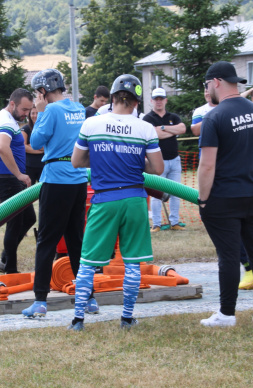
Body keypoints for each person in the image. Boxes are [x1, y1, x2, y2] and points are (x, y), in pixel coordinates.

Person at [68, 74, 164, 331]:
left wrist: (101, 160)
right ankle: (126, 318)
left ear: (112, 98)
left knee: (87, 263)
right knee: (132, 262)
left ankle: (78, 320)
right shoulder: (145, 128)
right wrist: (132, 161)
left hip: (104, 200)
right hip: (134, 199)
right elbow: (157, 168)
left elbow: (76, 162)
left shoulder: (92, 123)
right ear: (136, 103)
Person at [198, 62, 253, 327]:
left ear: (216, 82)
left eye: (207, 85)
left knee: (228, 255)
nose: (207, 90)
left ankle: (227, 314)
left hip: (224, 196)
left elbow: (207, 165)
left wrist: (203, 199)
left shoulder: (215, 117)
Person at [22, 68, 91, 318]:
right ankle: (88, 298)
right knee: (76, 240)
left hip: (56, 178)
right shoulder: (79, 109)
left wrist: (40, 114)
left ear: (43, 91)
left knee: (47, 241)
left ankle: (40, 300)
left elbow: (38, 142)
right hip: (79, 178)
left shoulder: (49, 110)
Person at [0, 88, 37, 274]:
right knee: (15, 223)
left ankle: (4, 258)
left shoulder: (8, 119)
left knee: (29, 219)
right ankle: (10, 269)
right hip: (7, 179)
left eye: (29, 110)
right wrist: (18, 174)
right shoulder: (4, 121)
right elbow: (2, 147)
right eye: (24, 110)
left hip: (10, 178)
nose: (26, 114)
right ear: (12, 104)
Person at [142, 87, 187, 232]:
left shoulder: (173, 116)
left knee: (176, 192)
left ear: (165, 100)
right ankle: (157, 224)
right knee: (157, 194)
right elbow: (155, 135)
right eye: (156, 99)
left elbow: (182, 129)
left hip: (174, 160)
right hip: (156, 162)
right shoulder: (147, 118)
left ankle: (174, 222)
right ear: (151, 101)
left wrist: (162, 128)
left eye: (161, 99)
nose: (159, 102)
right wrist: (170, 130)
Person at [22, 108, 44, 184]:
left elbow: (48, 146)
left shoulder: (45, 128)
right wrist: (40, 150)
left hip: (44, 165)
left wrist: (31, 146)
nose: (35, 116)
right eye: (33, 113)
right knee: (28, 192)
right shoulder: (25, 129)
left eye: (37, 113)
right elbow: (23, 147)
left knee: (43, 191)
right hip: (29, 166)